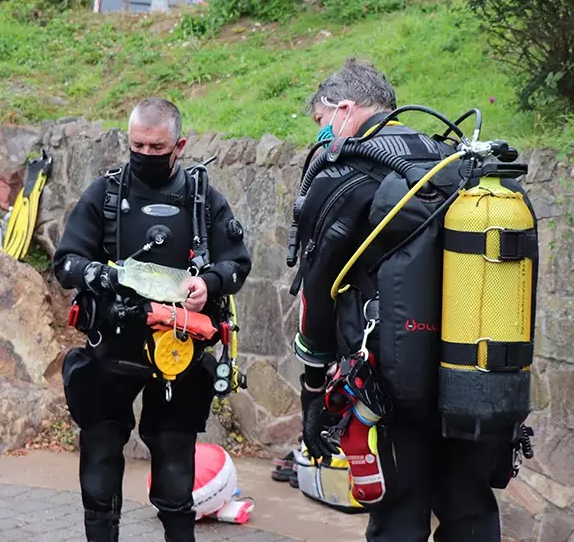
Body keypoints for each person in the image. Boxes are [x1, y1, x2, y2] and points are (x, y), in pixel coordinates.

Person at [290, 58, 503, 542]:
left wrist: (313, 382)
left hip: (387, 384)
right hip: (475, 373)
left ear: (343, 109)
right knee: (470, 513)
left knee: (399, 519)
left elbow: (319, 286)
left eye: (322, 124)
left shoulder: (344, 173)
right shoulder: (454, 162)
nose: (323, 136)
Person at [53, 97, 252, 542]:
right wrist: (103, 275)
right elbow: (66, 262)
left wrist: (212, 284)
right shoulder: (104, 194)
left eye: (156, 148)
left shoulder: (203, 201)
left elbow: (237, 263)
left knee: (175, 462)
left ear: (178, 145)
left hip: (179, 353)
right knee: (100, 457)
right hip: (113, 347)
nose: (144, 154)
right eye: (136, 145)